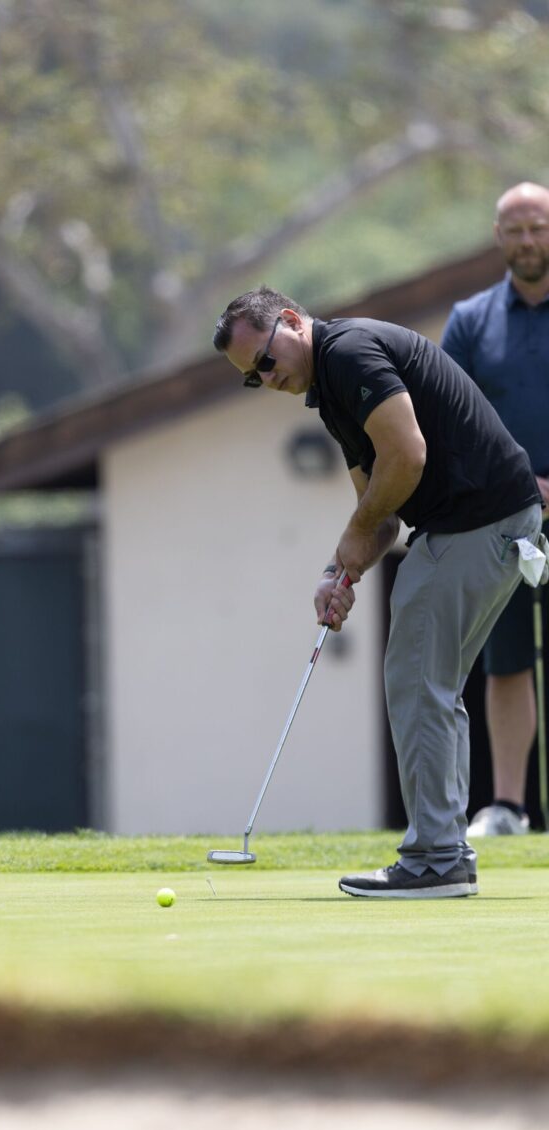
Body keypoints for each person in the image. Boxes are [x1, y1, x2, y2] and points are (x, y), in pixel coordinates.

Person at [213, 286, 543, 898]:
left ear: (290, 321)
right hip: (486, 524)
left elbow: (407, 457)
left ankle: (436, 859)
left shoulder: (349, 353)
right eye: (253, 379)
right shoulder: (332, 394)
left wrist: (352, 539)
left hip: (480, 521)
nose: (267, 378)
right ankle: (445, 851)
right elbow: (380, 512)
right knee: (431, 683)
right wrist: (339, 572)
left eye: (265, 360)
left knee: (418, 677)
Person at [441, 181, 549, 837]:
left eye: (538, 227)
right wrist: (517, 484)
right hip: (503, 518)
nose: (528, 240)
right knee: (505, 660)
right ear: (497, 236)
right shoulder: (471, 318)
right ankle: (508, 806)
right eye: (515, 229)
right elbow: (452, 418)